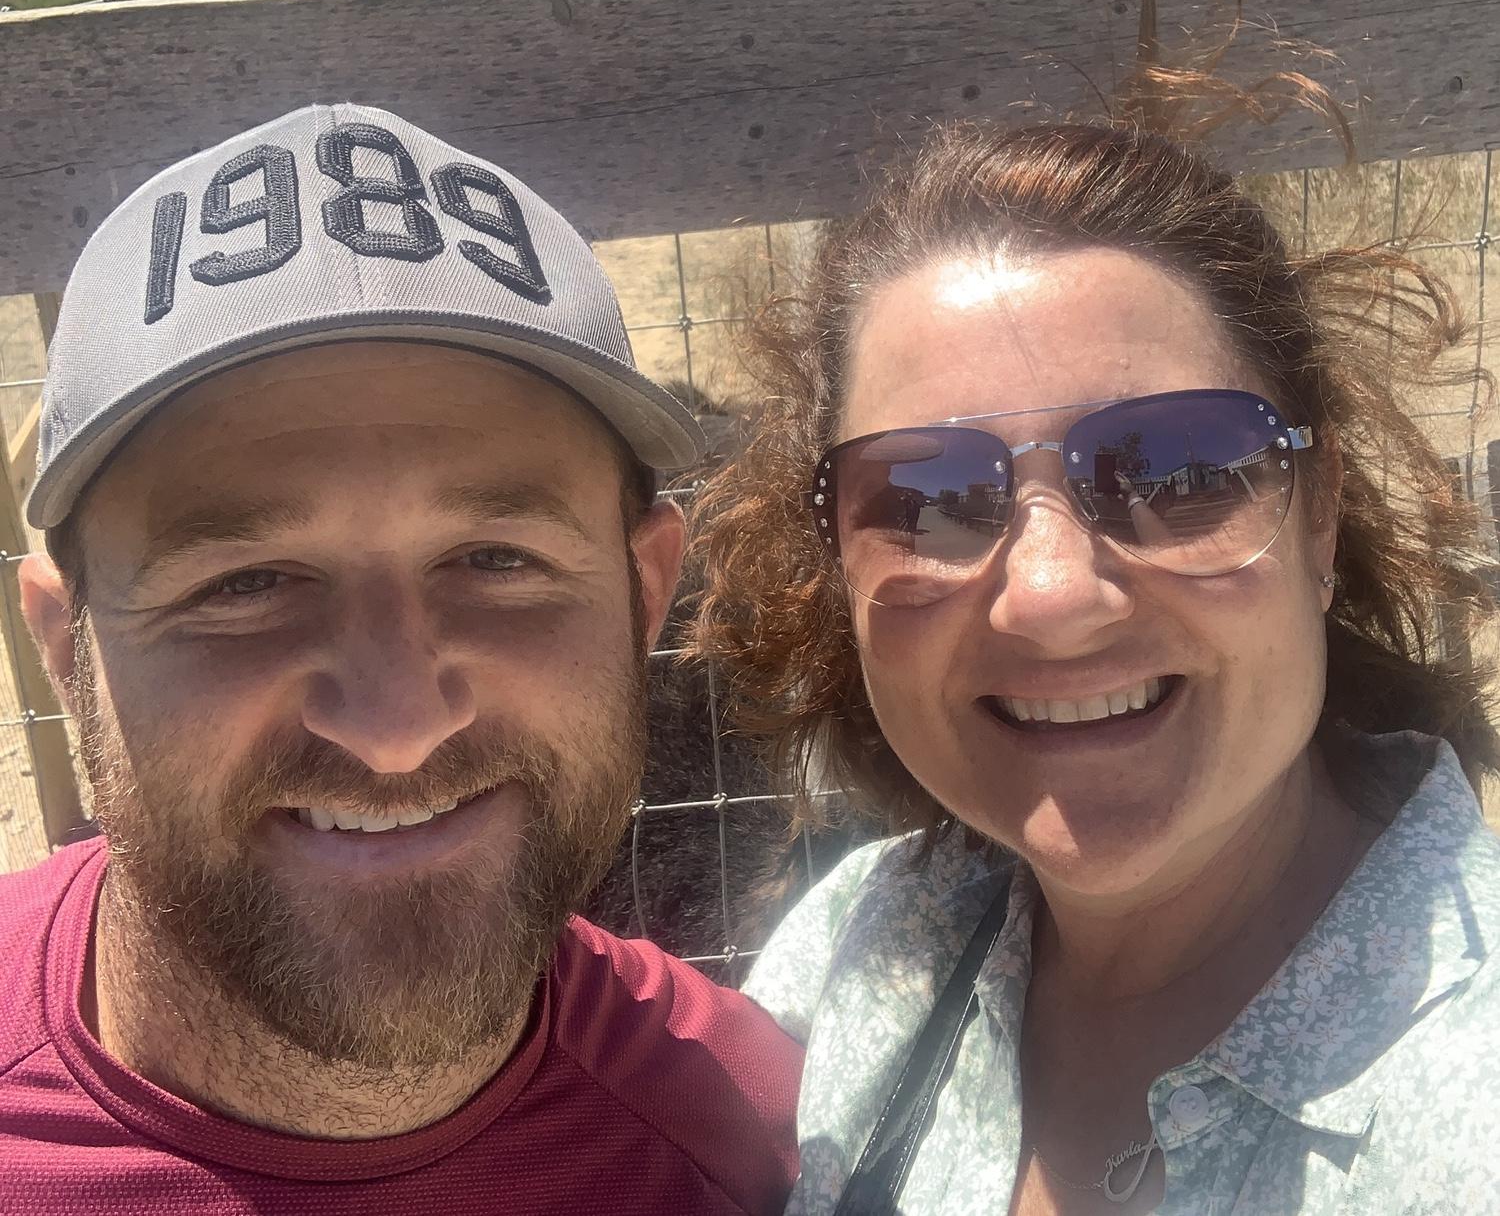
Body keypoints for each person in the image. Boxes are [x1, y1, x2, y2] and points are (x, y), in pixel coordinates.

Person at [0, 104, 802, 1214]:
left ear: (646, 595)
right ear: (63, 649)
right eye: (243, 583)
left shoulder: (765, 1153)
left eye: (493, 557)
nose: (395, 722)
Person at [692, 114, 1500, 1215]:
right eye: (925, 497)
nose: (1052, 596)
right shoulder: (863, 947)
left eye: (1176, 471)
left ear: (1321, 515)